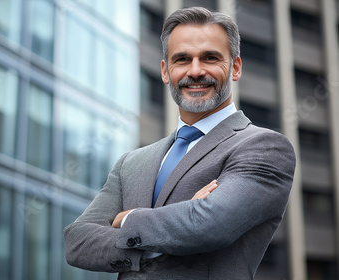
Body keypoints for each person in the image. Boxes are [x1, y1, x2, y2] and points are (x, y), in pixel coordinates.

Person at [64, 6, 296, 279]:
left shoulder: (264, 147)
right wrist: (180, 222)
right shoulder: (132, 162)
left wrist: (126, 220)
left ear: (235, 67)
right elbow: (77, 242)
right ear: (165, 71)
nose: (195, 71)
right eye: (182, 59)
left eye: (210, 57)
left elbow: (209, 226)